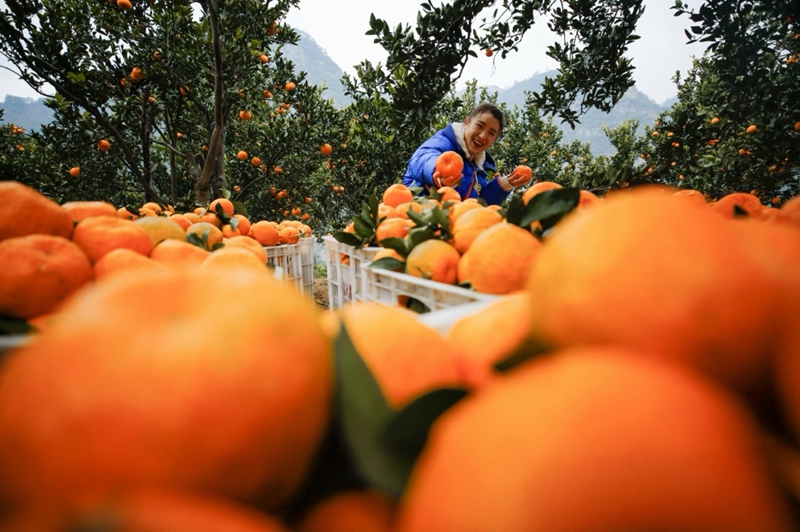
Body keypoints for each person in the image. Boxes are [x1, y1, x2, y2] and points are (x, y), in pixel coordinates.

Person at [402, 103, 532, 205]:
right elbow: (421, 159)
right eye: (479, 126)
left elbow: (479, 204)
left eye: (491, 133)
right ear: (466, 122)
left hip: (450, 224)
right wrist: (437, 170)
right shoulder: (443, 141)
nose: (483, 136)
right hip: (415, 218)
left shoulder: (478, 168)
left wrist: (505, 183)